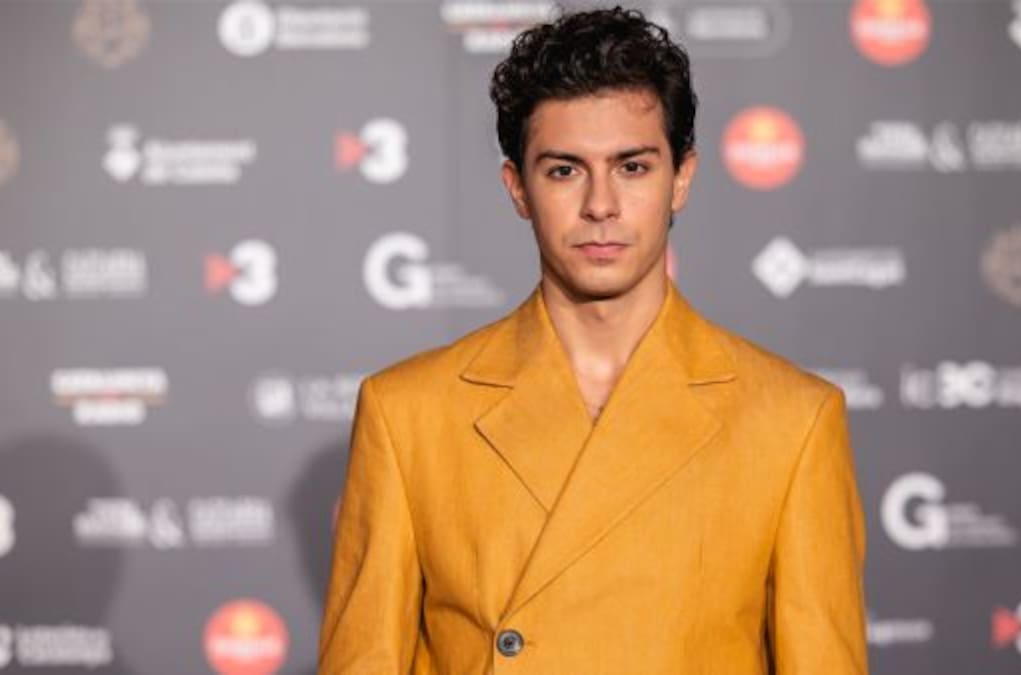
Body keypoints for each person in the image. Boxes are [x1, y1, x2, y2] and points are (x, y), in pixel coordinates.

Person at [318, 6, 867, 674]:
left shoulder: (791, 420)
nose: (600, 205)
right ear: (518, 188)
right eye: (564, 170)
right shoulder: (407, 413)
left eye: (632, 167)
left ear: (681, 178)